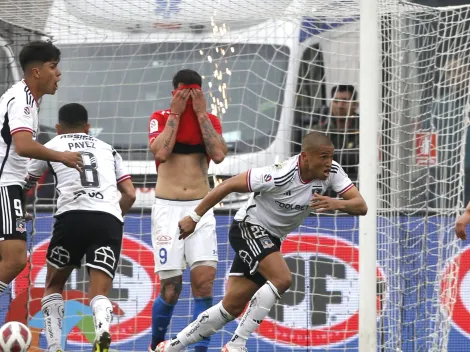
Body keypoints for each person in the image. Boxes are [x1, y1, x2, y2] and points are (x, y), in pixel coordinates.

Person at [155, 131, 368, 352]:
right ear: (305, 157)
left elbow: (361, 205)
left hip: (271, 239)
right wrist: (194, 217)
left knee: (231, 307)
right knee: (282, 278)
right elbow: (226, 186)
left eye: (331, 156)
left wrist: (336, 203)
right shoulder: (279, 174)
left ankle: (170, 347)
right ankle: (236, 345)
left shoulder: (332, 172)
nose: (328, 163)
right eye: (323, 157)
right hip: (248, 227)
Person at [25, 103, 136, 352]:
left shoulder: (51, 145)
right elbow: (129, 194)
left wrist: (20, 209)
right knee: (99, 292)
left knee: (54, 284)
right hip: (107, 219)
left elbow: (27, 182)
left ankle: (54, 347)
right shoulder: (108, 149)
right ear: (88, 127)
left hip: (72, 218)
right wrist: (112, 217)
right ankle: (102, 330)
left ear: (58, 127)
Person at [147, 69, 228, 352]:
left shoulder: (211, 119)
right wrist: (176, 114)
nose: (189, 97)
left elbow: (218, 155)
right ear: (175, 92)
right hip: (167, 210)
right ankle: (156, 345)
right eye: (184, 92)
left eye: (194, 93)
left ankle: (200, 350)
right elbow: (160, 152)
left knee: (204, 285)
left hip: (200, 209)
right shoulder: (160, 117)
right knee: (171, 288)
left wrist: (203, 115)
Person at [0, 40, 83, 297]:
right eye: (53, 66)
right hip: (3, 184)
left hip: (9, 186)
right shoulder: (23, 100)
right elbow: (24, 146)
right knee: (15, 260)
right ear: (36, 71)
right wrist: (62, 156)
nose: (58, 74)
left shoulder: (25, 99)